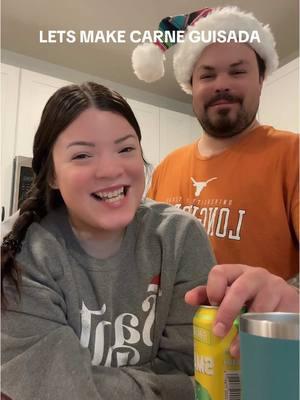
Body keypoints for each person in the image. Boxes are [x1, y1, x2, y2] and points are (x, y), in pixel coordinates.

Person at [1, 82, 217, 400]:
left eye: (126, 148)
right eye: (83, 155)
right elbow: (55, 390)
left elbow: (201, 372)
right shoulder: (22, 250)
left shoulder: (179, 237)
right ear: (52, 175)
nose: (110, 169)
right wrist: (171, 388)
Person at [132, 6, 299, 282]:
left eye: (237, 72)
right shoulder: (166, 168)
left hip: (256, 326)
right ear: (191, 86)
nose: (222, 85)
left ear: (261, 78)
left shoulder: (293, 155)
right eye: (207, 76)